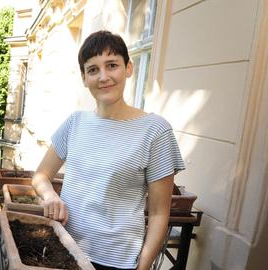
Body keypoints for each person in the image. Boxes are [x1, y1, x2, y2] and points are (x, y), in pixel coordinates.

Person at [31, 30, 185, 270]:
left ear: (128, 68)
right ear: (84, 78)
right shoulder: (75, 123)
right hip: (63, 250)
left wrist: (143, 266)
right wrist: (50, 196)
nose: (103, 77)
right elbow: (41, 176)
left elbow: (158, 213)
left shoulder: (155, 131)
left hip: (117, 262)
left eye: (111, 65)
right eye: (93, 69)